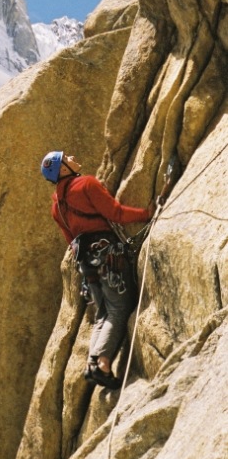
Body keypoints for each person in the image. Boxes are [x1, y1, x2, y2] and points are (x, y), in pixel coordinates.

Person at [41, 151, 153, 389]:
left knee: (103, 313)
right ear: (62, 169)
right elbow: (116, 213)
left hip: (87, 265)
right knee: (119, 309)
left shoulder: (56, 207)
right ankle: (102, 363)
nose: (72, 156)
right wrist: (148, 214)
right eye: (66, 158)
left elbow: (71, 241)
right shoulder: (85, 184)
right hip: (107, 255)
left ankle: (93, 364)